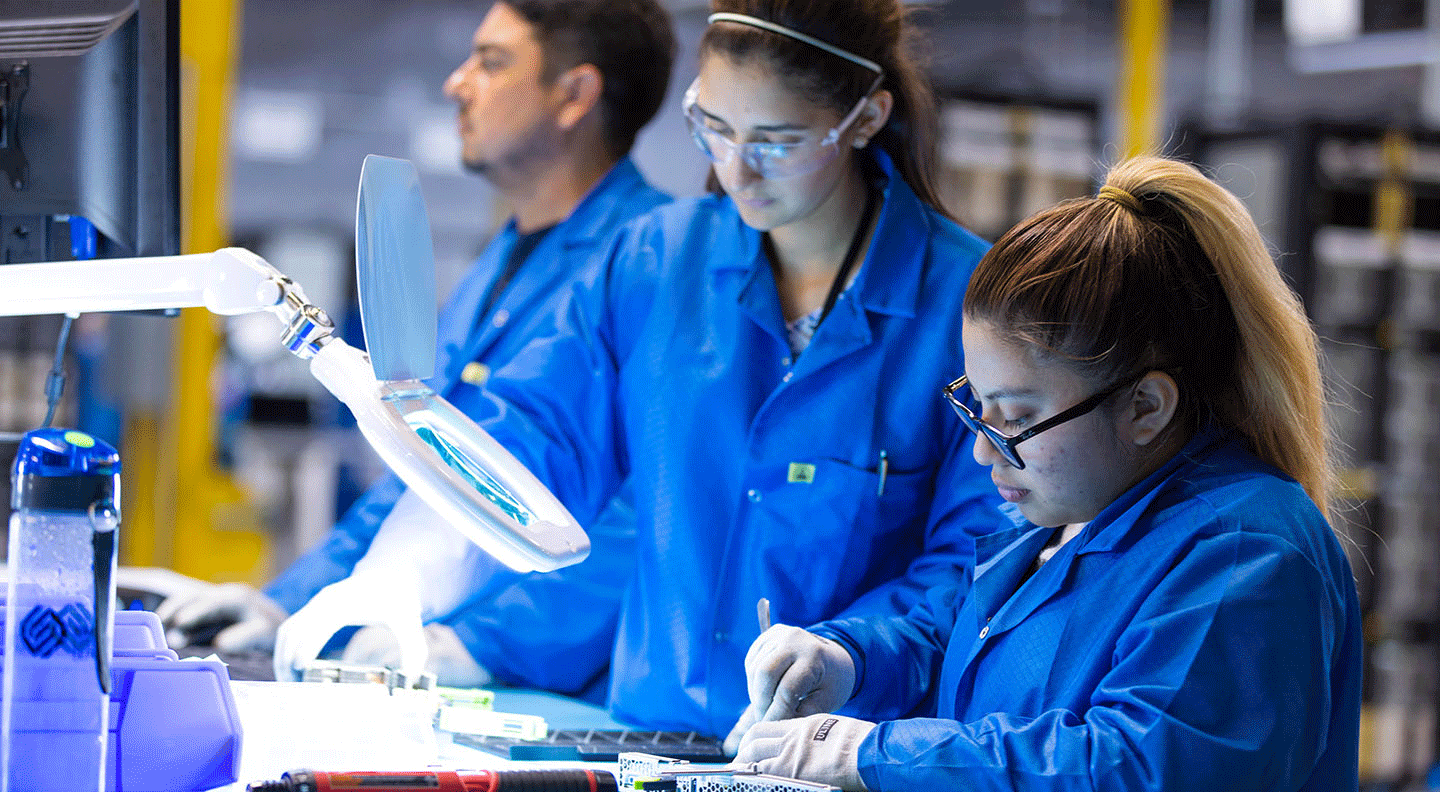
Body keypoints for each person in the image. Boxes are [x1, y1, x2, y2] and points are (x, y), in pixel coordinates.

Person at [417, 0, 1003, 734]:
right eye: (714, 129)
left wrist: (849, 656)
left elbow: (978, 561)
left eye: (778, 141)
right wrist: (408, 585)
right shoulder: (654, 261)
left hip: (827, 754)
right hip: (641, 735)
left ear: (865, 117)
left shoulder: (966, 304)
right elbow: (527, 447)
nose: (737, 170)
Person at [729, 156, 1364, 790]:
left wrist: (869, 754)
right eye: (977, 406)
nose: (984, 452)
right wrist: (847, 657)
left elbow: (1133, 769)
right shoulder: (1067, 519)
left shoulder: (1245, 553)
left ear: (1145, 407)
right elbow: (953, 631)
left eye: (1015, 416)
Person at [157, 0, 676, 695]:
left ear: (575, 94)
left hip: (550, 689)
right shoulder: (496, 265)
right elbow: (420, 476)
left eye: (491, 62)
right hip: (431, 666)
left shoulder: (653, 260)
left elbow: (654, 508)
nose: (456, 82)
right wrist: (285, 601)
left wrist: (481, 644)